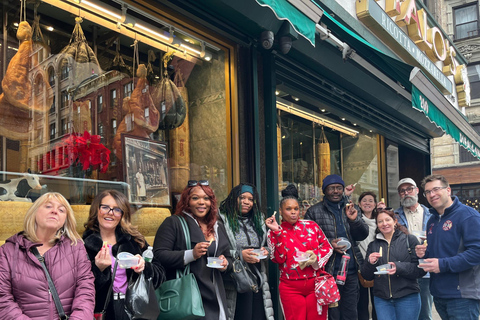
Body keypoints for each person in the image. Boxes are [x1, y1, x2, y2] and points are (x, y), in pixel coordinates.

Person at [0, 192, 95, 319]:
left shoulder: (76, 248)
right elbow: (3, 298)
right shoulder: (8, 251)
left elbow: (85, 291)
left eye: (61, 210)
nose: (55, 211)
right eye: (48, 206)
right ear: (34, 212)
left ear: (65, 220)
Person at [154, 180, 232, 320]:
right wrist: (191, 254)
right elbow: (159, 256)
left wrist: (225, 264)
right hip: (188, 295)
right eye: (195, 198)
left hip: (216, 294)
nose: (201, 202)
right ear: (187, 201)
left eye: (206, 198)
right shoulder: (174, 223)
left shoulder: (218, 226)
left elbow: (228, 256)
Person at [83, 189, 165, 320]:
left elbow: (160, 274)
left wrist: (144, 268)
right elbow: (77, 288)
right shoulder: (84, 245)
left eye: (117, 209)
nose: (110, 213)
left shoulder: (135, 240)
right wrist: (98, 269)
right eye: (105, 207)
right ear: (96, 210)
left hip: (134, 310)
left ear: (122, 214)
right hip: (102, 312)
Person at [266, 184, 335, 320]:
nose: (293, 212)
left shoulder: (311, 226)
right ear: (280, 211)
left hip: (315, 284)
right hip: (290, 287)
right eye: (288, 209)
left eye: (296, 209)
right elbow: (278, 259)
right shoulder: (273, 231)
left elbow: (327, 247)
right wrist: (278, 233)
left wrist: (316, 258)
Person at [415, 174, 480, 320]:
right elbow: (439, 253)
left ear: (448, 190)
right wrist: (425, 254)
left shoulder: (468, 215)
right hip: (439, 294)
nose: (432, 194)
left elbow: (477, 252)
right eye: (428, 192)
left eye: (436, 189)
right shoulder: (432, 220)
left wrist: (442, 265)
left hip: (462, 295)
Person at [304, 174, 368, 320]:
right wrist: (330, 244)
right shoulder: (314, 211)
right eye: (331, 188)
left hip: (350, 271)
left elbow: (362, 235)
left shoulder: (352, 208)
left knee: (351, 313)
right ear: (324, 190)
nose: (336, 191)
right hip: (327, 272)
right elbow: (307, 241)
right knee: (332, 314)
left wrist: (354, 221)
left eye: (339, 188)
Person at [218, 183, 274, 320]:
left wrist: (265, 251)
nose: (246, 202)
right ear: (234, 198)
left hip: (257, 277)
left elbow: (269, 246)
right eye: (242, 197)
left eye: (250, 199)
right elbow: (219, 251)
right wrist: (240, 255)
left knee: (258, 315)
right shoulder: (222, 220)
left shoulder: (258, 219)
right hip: (235, 279)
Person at [361, 208, 425, 320]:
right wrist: (370, 263)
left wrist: (399, 267)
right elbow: (367, 275)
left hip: (407, 296)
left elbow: (420, 270)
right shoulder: (373, 245)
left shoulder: (409, 240)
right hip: (382, 298)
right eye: (380, 221)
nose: (384, 224)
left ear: (395, 221)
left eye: (387, 220)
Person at [395, 177, 433, 320]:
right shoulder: (394, 216)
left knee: (425, 312)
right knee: (406, 314)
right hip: (406, 268)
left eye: (409, 189)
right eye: (402, 191)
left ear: (417, 190)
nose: (406, 193)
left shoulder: (432, 214)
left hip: (426, 267)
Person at [356, 191, 379, 320]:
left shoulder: (380, 221)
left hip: (377, 266)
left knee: (378, 302)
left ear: (375, 204)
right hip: (361, 265)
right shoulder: (355, 221)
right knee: (362, 303)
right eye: (364, 200)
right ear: (359, 204)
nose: (367, 203)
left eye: (371, 200)